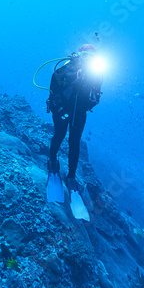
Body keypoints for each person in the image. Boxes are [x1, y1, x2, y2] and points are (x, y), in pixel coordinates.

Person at [45, 44, 104, 214]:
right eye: (85, 55)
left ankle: (71, 177)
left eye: (91, 56)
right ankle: (53, 162)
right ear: (78, 54)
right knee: (59, 134)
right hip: (62, 109)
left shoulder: (96, 75)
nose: (87, 59)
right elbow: (53, 91)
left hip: (79, 112)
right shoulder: (65, 69)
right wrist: (58, 106)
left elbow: (96, 98)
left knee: (75, 142)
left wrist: (88, 85)